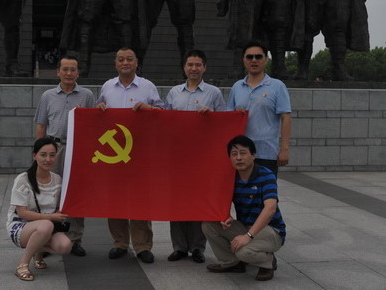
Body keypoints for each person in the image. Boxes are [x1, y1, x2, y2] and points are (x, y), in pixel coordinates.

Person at [96, 47, 164, 263]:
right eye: (121, 60)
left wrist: (149, 108)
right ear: (115, 64)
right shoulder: (107, 86)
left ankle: (142, 246)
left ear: (136, 63)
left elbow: (162, 114)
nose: (125, 63)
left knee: (140, 198)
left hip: (140, 153)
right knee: (114, 198)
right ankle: (119, 242)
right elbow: (98, 114)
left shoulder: (148, 86)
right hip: (114, 154)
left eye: (129, 59)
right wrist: (99, 107)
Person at [164, 49, 225, 263]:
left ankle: (198, 247)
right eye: (190, 64)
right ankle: (179, 247)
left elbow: (224, 124)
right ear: (184, 67)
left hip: (202, 157)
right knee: (177, 201)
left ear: (204, 68)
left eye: (198, 65)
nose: (194, 68)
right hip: (178, 157)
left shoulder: (214, 93)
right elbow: (166, 122)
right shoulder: (174, 93)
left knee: (199, 200)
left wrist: (212, 117)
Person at [34, 56, 95, 257]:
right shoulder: (48, 96)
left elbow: (93, 125)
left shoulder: (87, 95)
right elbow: (41, 125)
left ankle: (75, 239)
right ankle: (47, 239)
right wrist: (40, 155)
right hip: (54, 148)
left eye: (73, 70)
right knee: (50, 192)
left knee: (76, 193)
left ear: (78, 73)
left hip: (78, 149)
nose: (69, 73)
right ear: (58, 72)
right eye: (65, 69)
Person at [202, 135, 286, 281]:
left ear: (253, 155)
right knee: (209, 225)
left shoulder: (266, 175)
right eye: (234, 154)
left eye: (243, 153)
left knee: (243, 252)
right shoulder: (231, 178)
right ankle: (233, 263)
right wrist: (225, 216)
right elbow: (220, 201)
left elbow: (270, 209)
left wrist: (248, 236)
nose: (239, 158)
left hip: (271, 230)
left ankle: (268, 262)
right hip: (245, 226)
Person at [7, 138, 72, 281]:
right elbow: (22, 212)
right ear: (34, 156)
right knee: (46, 225)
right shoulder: (23, 179)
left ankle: (38, 252)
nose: (48, 159)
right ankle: (22, 264)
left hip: (45, 226)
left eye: (52, 155)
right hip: (21, 225)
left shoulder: (57, 180)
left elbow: (57, 208)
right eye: (43, 155)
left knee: (65, 246)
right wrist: (52, 217)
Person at [226, 41, 291, 176]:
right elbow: (228, 118)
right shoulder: (237, 87)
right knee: (240, 189)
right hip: (241, 154)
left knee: (265, 189)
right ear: (243, 60)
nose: (254, 60)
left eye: (258, 57)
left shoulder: (277, 86)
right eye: (249, 57)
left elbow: (286, 118)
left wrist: (284, 149)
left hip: (267, 153)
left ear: (266, 59)